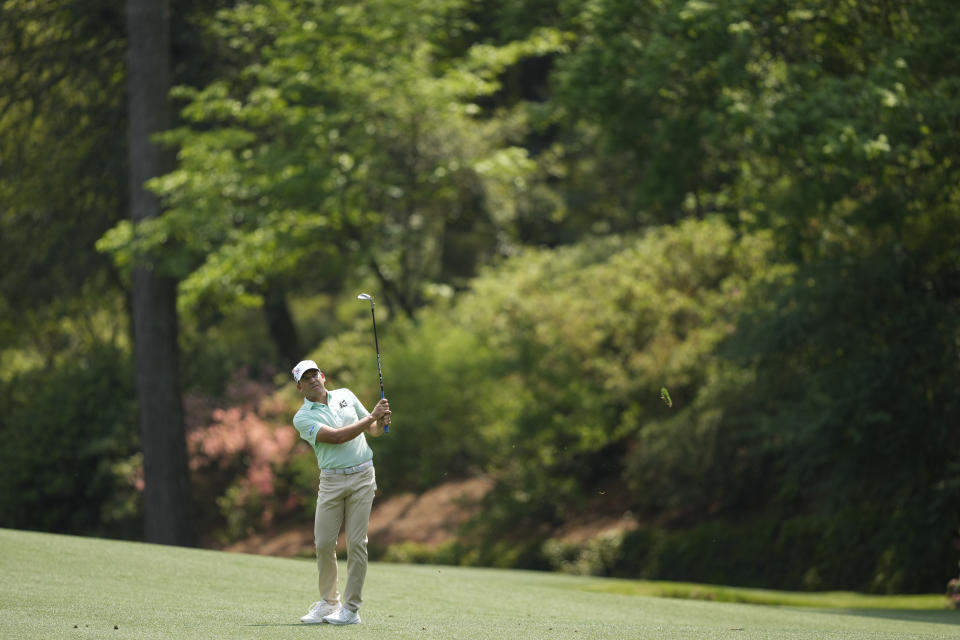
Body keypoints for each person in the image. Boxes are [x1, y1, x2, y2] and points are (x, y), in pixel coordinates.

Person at [291, 359, 390, 626]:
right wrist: (371, 415)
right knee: (323, 543)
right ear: (299, 387)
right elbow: (336, 437)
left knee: (357, 543)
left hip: (362, 476)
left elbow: (371, 430)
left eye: (315, 374)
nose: (312, 379)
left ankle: (351, 609)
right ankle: (328, 603)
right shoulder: (302, 418)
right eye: (306, 378)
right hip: (332, 481)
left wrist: (379, 422)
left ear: (323, 376)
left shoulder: (345, 395)